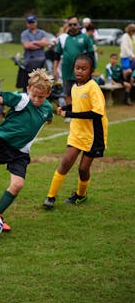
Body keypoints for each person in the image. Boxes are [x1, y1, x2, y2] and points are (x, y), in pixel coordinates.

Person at [0, 68, 53, 231]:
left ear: (48, 93)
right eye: (34, 95)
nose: (37, 100)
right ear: (28, 89)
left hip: (21, 152)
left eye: (41, 97)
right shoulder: (22, 100)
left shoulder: (47, 108)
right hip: (3, 143)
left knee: (17, 185)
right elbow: (0, 98)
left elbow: (49, 117)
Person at [43, 54, 108, 209]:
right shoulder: (74, 87)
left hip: (94, 135)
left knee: (83, 169)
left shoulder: (93, 88)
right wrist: (65, 108)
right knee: (65, 163)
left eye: (83, 69)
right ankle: (50, 198)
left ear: (91, 71)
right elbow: (78, 106)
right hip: (77, 133)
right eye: (77, 68)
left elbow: (97, 113)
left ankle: (81, 195)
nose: (79, 71)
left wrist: (70, 114)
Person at [53, 16, 95, 118]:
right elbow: (57, 54)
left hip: (82, 71)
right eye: (70, 24)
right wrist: (55, 69)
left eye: (74, 24)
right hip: (67, 70)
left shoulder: (85, 37)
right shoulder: (63, 38)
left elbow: (91, 54)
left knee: (82, 92)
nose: (73, 26)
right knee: (67, 93)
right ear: (68, 25)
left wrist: (91, 69)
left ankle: (81, 112)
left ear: (78, 25)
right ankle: (70, 114)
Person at [19, 14, 49, 92]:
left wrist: (34, 42)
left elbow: (46, 43)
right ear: (27, 23)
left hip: (41, 61)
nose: (31, 24)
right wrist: (40, 44)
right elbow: (26, 45)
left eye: (33, 22)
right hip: (28, 62)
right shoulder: (24, 33)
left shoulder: (42, 32)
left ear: (36, 22)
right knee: (28, 82)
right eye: (29, 22)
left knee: (40, 81)